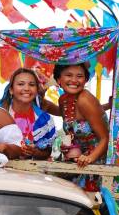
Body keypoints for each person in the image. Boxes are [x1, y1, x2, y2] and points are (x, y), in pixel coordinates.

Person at [44, 63, 109, 192]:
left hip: (96, 165)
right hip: (77, 163)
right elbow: (65, 117)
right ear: (58, 80)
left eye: (79, 76)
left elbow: (105, 139)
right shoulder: (63, 100)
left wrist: (89, 158)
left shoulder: (85, 99)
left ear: (85, 80)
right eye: (68, 75)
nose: (74, 80)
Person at [0, 68, 56, 160]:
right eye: (21, 84)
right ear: (11, 90)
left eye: (31, 85)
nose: (27, 88)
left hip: (30, 172)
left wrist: (35, 152)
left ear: (36, 90)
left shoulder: (44, 120)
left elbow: (47, 152)